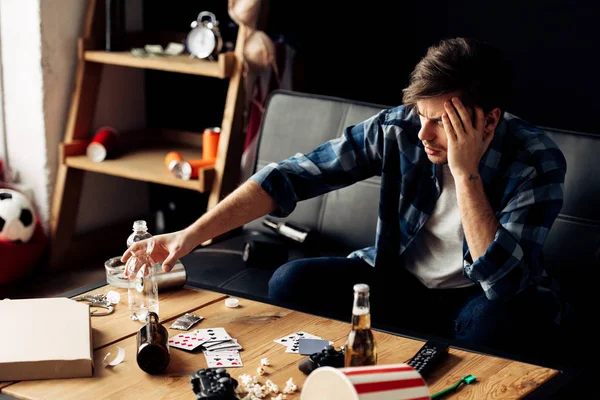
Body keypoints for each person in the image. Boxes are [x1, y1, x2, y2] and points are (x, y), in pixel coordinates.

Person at [122, 37, 566, 351]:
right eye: (421, 116)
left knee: (493, 330)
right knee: (289, 281)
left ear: (489, 121)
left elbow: (503, 282)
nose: (423, 133)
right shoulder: (402, 128)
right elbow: (290, 176)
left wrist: (465, 174)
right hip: (402, 283)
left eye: (442, 122)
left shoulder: (535, 161)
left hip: (483, 297)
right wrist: (191, 235)